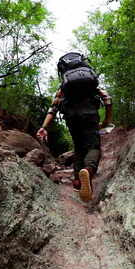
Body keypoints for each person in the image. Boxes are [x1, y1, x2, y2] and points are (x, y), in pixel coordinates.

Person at [36, 52, 113, 202]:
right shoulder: (90, 81)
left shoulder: (64, 87)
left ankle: (78, 180)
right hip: (90, 115)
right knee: (93, 147)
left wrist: (43, 127)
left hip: (71, 118)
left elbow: (53, 108)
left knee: (78, 148)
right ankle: (88, 171)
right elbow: (107, 99)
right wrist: (106, 121)